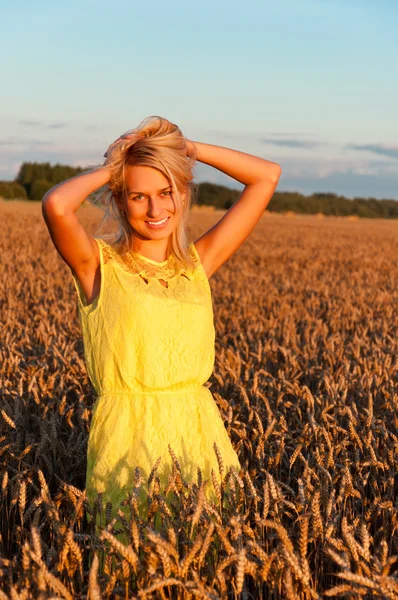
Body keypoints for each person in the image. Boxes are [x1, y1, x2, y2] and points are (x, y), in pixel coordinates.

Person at [41, 115, 282, 534]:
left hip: (199, 435)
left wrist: (186, 150)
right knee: (131, 566)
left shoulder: (197, 264)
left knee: (209, 561)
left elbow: (267, 176)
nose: (156, 209)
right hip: (126, 441)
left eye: (166, 192)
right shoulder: (97, 266)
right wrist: (116, 166)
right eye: (138, 196)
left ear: (183, 194)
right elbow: (57, 205)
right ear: (119, 200)